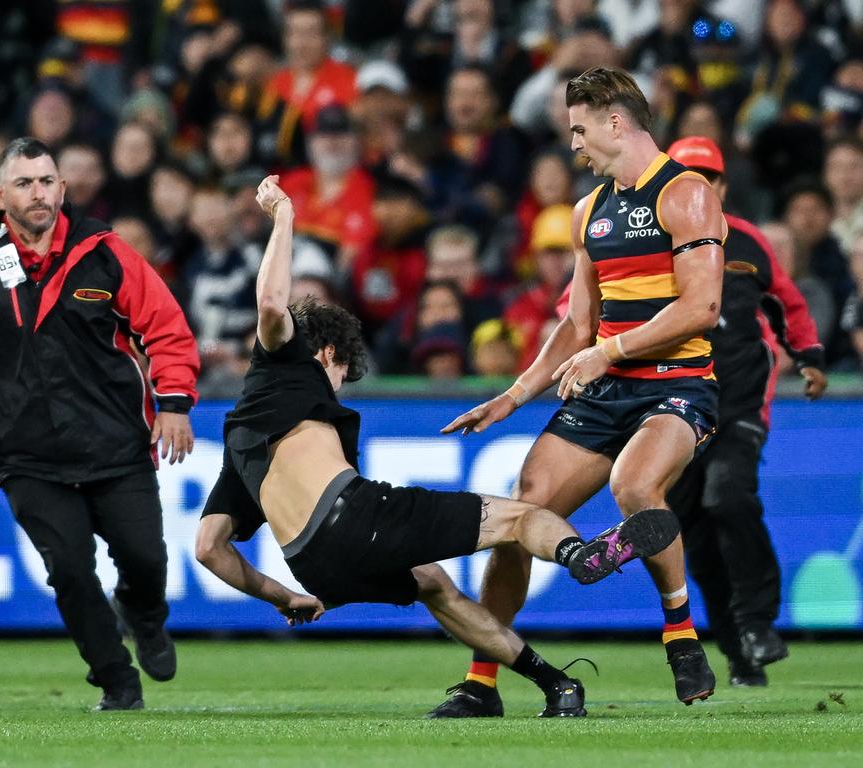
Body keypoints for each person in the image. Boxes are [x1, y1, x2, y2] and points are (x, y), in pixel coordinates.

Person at [194, 175, 683, 717]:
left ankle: (554, 685)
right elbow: (269, 303)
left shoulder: (237, 442)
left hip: (312, 568)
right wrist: (283, 214)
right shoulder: (284, 366)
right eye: (342, 373)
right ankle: (580, 553)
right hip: (356, 518)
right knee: (522, 517)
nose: (338, 385)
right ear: (327, 351)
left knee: (434, 584)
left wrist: (283, 596)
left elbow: (209, 548)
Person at [428, 66, 725, 718]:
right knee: (517, 518)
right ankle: (484, 681)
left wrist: (608, 351)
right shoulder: (589, 211)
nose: (574, 145)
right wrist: (514, 395)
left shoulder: (687, 195)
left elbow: (702, 306)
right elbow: (576, 322)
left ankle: (679, 632)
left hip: (677, 385)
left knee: (636, 485)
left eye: (580, 130)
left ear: (616, 122)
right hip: (605, 388)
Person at [0, 138, 201, 711]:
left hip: (116, 443)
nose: (37, 193)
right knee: (68, 569)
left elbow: (165, 328)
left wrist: (174, 402)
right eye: (24, 183)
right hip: (27, 455)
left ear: (62, 187)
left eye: (46, 181)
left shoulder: (106, 252)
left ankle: (144, 614)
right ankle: (117, 680)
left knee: (146, 558)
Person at [664, 136, 827, 686]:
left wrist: (807, 355)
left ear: (724, 188)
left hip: (737, 401)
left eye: (707, 179)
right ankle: (740, 650)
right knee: (697, 538)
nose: (698, 189)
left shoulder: (750, 241)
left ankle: (757, 622)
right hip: (675, 409)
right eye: (688, 177)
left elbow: (787, 302)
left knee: (727, 494)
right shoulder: (645, 245)